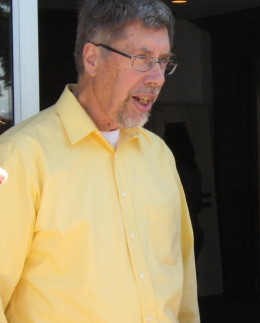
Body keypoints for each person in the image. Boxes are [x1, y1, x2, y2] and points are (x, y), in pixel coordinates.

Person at [0, 0, 200, 322]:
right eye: (142, 59)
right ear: (92, 59)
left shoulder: (159, 156)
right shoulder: (20, 156)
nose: (158, 78)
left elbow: (183, 285)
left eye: (164, 62)